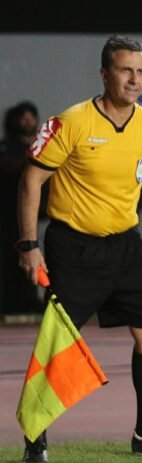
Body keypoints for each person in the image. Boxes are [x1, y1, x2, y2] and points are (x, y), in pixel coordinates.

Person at [16, 35, 142, 463]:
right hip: (73, 249)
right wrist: (28, 245)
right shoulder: (72, 122)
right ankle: (35, 434)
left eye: (140, 72)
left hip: (124, 248)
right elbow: (30, 181)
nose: (134, 80)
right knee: (57, 342)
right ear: (104, 74)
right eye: (125, 70)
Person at [0, 101, 43, 315]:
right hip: (7, 215)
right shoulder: (6, 148)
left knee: (34, 254)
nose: (28, 121)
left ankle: (29, 299)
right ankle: (9, 302)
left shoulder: (42, 146)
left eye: (31, 116)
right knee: (9, 257)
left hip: (36, 215)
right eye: (23, 117)